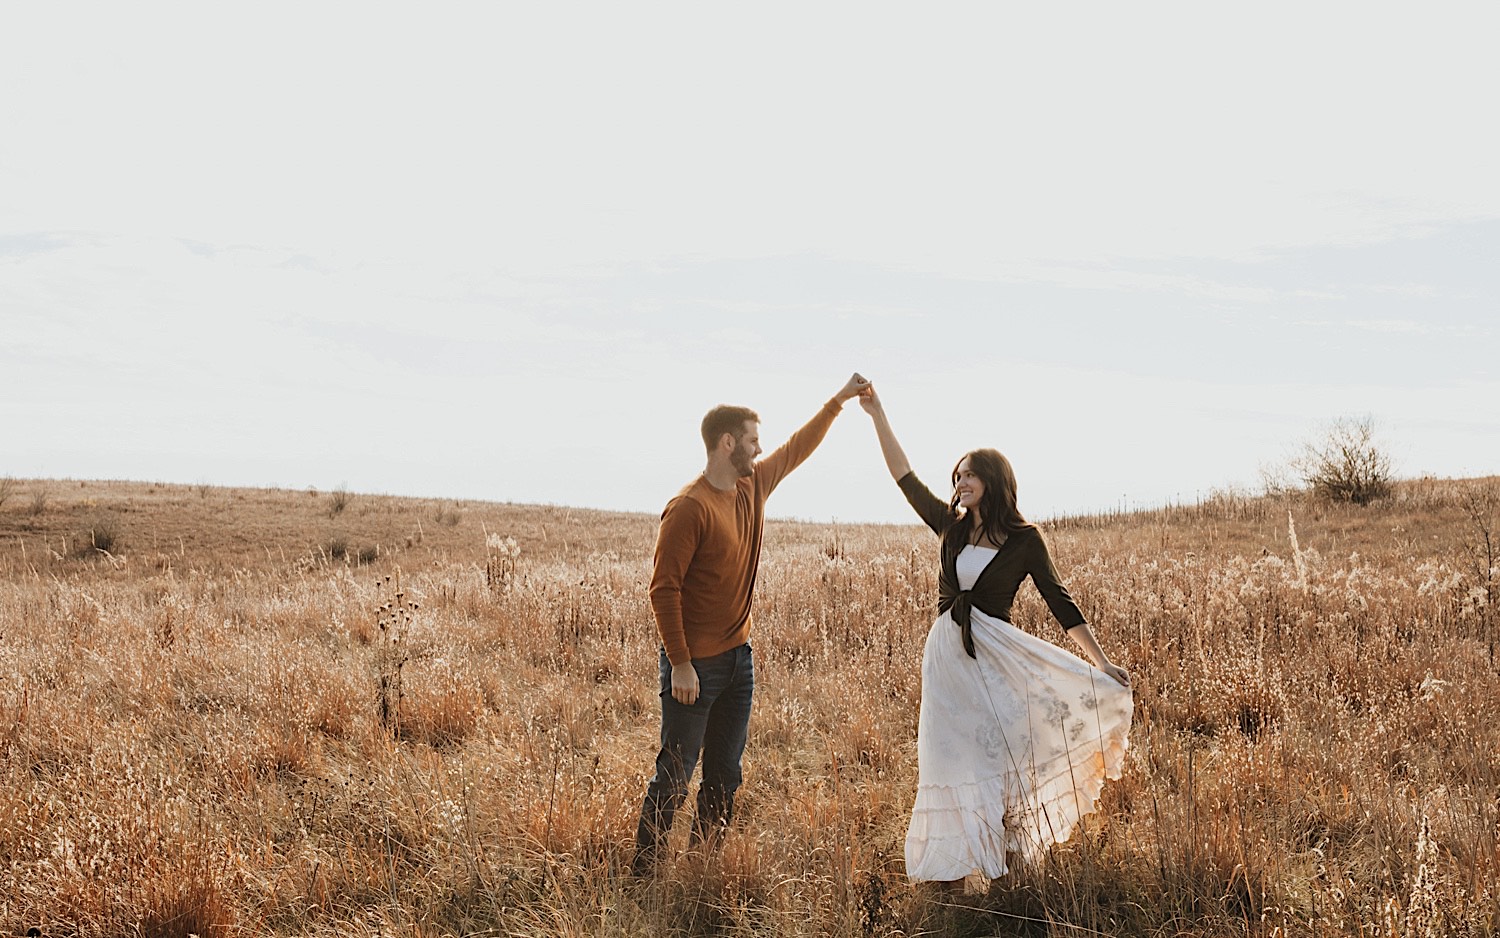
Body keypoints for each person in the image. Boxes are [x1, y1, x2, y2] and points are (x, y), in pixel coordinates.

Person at [858, 383, 1133, 885]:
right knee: (944, 757)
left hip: (995, 657)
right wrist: (878, 413)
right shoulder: (950, 526)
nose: (960, 482)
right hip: (946, 658)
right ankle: (951, 873)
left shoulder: (1025, 540)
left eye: (969, 475)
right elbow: (904, 476)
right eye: (957, 475)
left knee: (994, 751)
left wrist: (1099, 663)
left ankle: (1002, 861)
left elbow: (1058, 599)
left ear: (993, 479)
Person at [632, 372, 871, 875]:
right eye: (752, 441)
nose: (760, 450)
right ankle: (644, 874)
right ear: (727, 443)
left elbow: (796, 448)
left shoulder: (752, 485)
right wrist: (679, 663)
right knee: (675, 775)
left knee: (724, 774)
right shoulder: (689, 508)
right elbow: (663, 589)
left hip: (739, 662)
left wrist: (839, 400)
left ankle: (703, 868)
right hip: (694, 667)